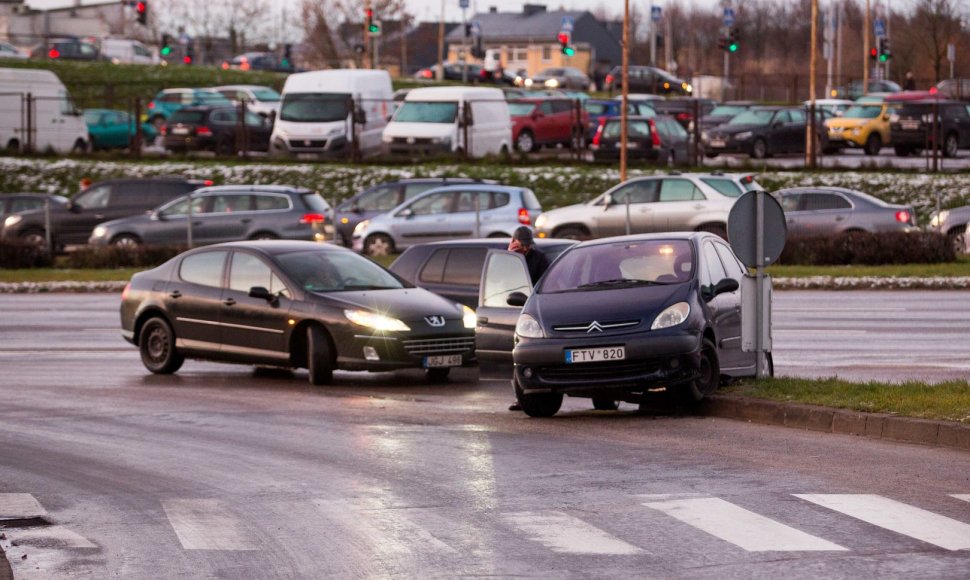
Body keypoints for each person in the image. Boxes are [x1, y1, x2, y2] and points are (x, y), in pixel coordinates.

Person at [507, 226, 549, 411]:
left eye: (527, 245)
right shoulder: (508, 258)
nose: (525, 249)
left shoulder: (539, 258)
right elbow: (502, 279)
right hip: (513, 309)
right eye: (521, 245)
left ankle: (530, 393)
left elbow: (545, 281)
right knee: (515, 357)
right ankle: (520, 397)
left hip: (533, 309)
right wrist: (510, 258)